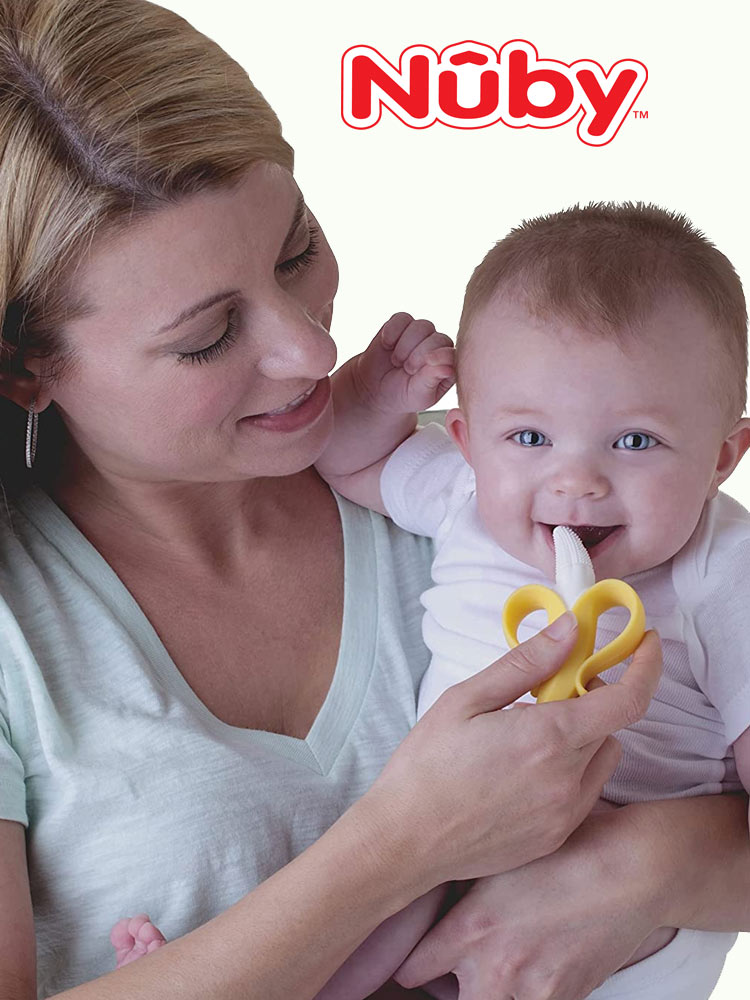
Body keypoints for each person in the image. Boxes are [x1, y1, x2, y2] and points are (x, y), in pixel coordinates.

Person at [0, 2, 748, 998]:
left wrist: (654, 862)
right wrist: (398, 848)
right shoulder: (21, 630)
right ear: (26, 370)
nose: (312, 350)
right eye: (209, 335)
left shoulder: (514, 486)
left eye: (296, 247)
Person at [298, 203, 750, 999]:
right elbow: (345, 457)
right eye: (530, 438)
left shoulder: (724, 565)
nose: (576, 481)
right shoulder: (465, 495)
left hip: (630, 919)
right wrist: (369, 394)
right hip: (452, 840)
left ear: (722, 456)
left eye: (636, 441)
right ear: (465, 439)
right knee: (362, 914)